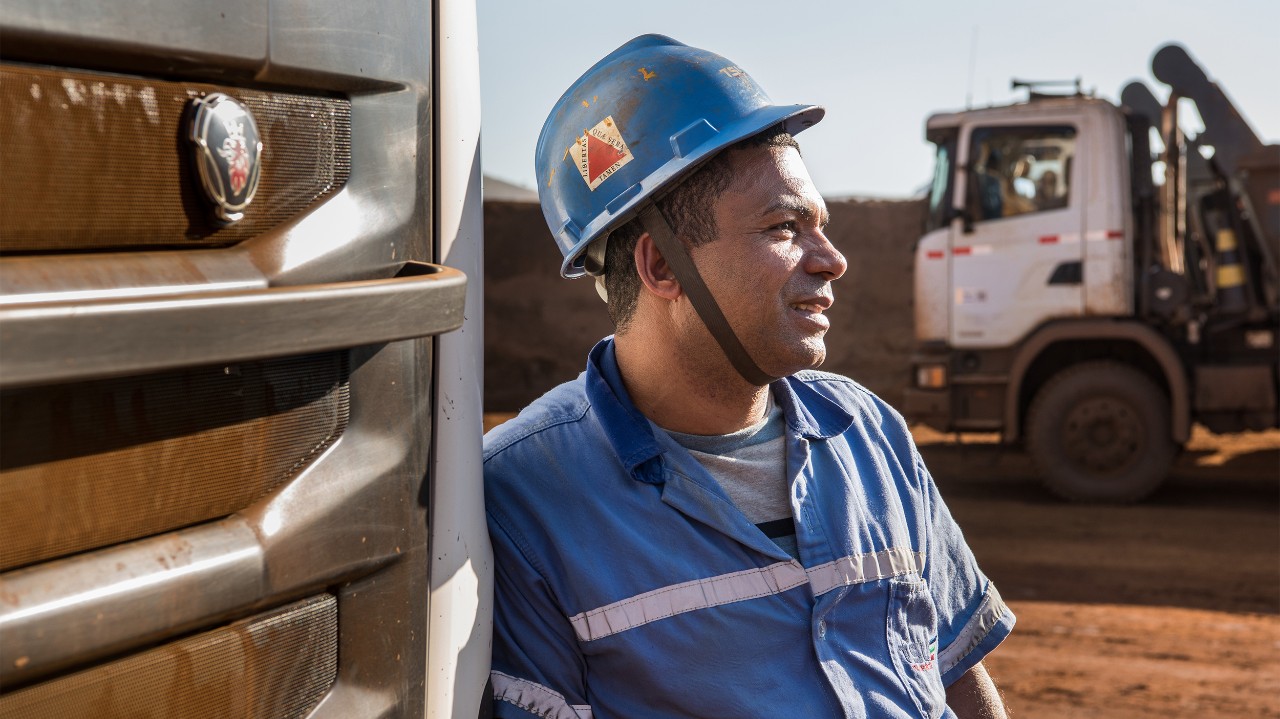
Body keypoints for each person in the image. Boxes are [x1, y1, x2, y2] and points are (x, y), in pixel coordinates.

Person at [484, 34, 1015, 719]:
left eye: (820, 224)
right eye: (785, 226)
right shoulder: (529, 500)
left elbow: (956, 676)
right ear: (662, 267)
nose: (832, 259)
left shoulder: (869, 433)